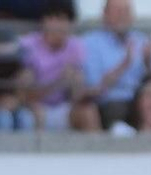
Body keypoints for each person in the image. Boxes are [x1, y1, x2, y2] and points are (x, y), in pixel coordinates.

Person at [81, 0, 151, 129]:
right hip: (111, 104)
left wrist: (148, 63)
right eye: (118, 11)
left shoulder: (142, 40)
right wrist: (124, 65)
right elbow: (94, 88)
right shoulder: (90, 43)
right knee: (117, 110)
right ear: (105, 14)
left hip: (142, 102)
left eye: (126, 11)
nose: (122, 16)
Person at [20, 1, 97, 131]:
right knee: (35, 111)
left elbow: (77, 96)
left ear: (70, 24)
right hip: (32, 109)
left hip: (62, 108)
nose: (56, 25)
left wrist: (77, 86)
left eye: (61, 19)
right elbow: (25, 95)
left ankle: (97, 149)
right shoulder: (27, 45)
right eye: (51, 18)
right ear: (42, 21)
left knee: (88, 111)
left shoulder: (76, 46)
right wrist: (60, 81)